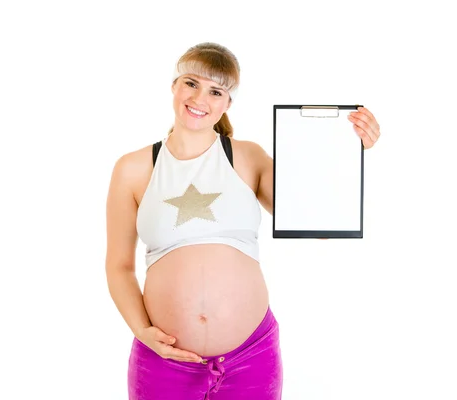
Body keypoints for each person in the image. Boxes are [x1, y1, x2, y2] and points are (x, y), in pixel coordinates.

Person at [105, 42, 381, 400]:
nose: (200, 98)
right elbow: (119, 267)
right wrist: (141, 329)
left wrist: (349, 150)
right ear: (174, 86)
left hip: (251, 359)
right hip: (163, 360)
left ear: (227, 103)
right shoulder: (133, 169)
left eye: (216, 90)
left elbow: (316, 222)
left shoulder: (247, 158)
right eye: (191, 83)